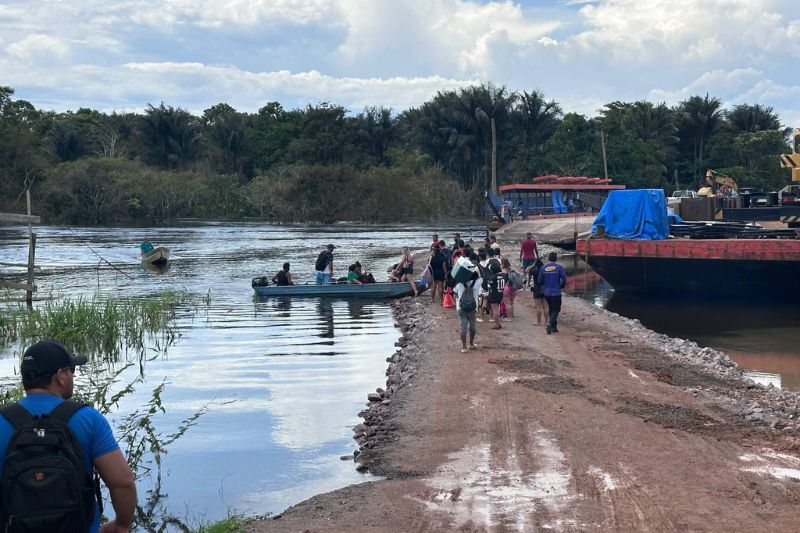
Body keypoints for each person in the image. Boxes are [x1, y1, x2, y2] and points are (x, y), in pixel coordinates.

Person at [0, 340, 137, 533]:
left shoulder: (2, 421)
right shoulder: (88, 419)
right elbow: (122, 482)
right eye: (71, 370)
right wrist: (122, 525)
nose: (73, 375)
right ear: (60, 376)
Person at [538, 252, 567, 334]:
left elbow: (540, 280)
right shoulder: (559, 267)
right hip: (556, 292)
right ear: (556, 259)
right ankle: (550, 324)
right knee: (556, 309)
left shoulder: (543, 268)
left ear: (548, 258)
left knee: (551, 308)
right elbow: (564, 279)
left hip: (547, 292)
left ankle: (554, 327)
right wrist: (562, 286)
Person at [454, 266, 482, 353]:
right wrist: (478, 265)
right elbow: (483, 276)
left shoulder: (459, 284)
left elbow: (454, 292)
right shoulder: (477, 284)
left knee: (463, 328)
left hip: (461, 308)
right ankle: (471, 344)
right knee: (472, 327)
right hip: (473, 309)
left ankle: (464, 347)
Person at [525, 257, 549, 326]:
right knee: (545, 306)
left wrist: (532, 265)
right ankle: (546, 322)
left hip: (537, 288)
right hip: (545, 288)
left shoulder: (535, 271)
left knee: (538, 307)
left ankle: (539, 322)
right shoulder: (545, 271)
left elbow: (526, 270)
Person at [482, 260, 506, 330]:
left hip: (494, 294)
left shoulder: (493, 277)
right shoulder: (504, 275)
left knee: (494, 310)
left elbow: (487, 285)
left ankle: (497, 324)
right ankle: (498, 323)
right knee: (496, 309)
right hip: (500, 293)